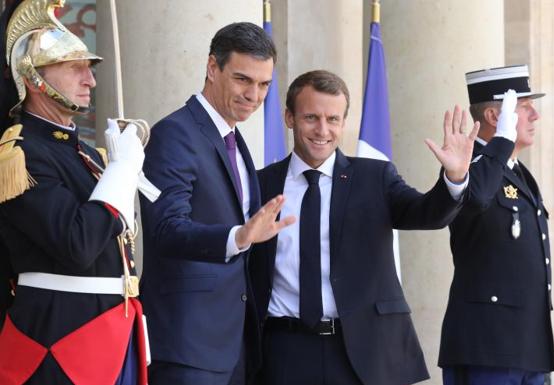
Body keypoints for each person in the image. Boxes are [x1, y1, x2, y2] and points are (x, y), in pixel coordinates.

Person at [248, 69, 478, 385]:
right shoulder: (258, 184)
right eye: (311, 117)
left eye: (333, 119)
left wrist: (454, 179)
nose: (322, 130)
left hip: (361, 351)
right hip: (283, 350)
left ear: (344, 123)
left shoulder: (374, 178)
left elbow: (426, 213)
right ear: (289, 118)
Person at [0, 0, 148, 384]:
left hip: (114, 331)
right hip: (59, 340)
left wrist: (117, 167)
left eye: (90, 68)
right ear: (34, 79)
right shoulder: (21, 154)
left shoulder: (84, 153)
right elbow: (78, 242)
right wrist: (120, 170)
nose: (90, 80)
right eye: (75, 68)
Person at [139, 22, 294, 385]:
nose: (254, 95)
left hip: (233, 346)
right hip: (185, 345)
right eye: (243, 79)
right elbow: (165, 228)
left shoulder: (234, 140)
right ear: (212, 68)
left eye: (264, 84)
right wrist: (238, 236)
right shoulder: (174, 134)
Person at [438, 64, 554, 385]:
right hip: (488, 344)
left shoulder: (520, 173)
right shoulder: (467, 165)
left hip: (528, 342)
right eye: (525, 107)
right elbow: (474, 198)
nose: (535, 116)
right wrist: (501, 143)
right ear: (495, 117)